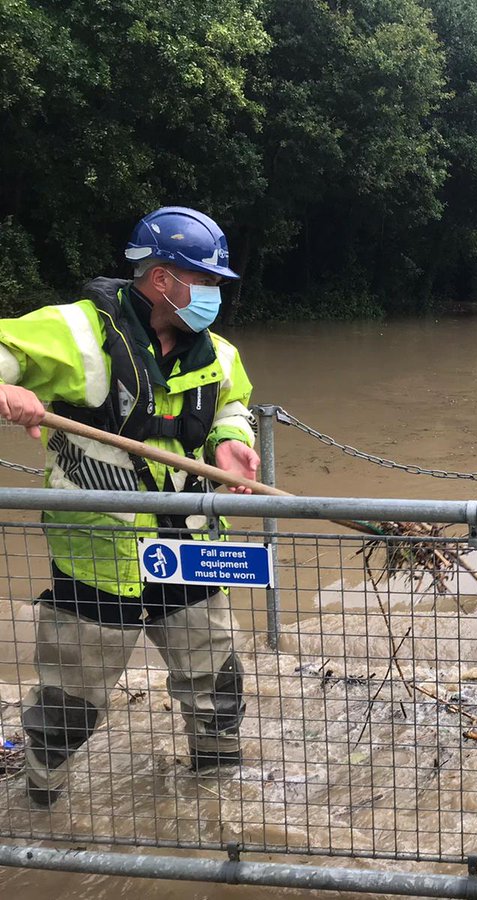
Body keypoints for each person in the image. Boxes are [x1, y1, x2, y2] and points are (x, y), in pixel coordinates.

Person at [0, 207, 260, 807]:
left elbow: (234, 403)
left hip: (191, 547)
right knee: (70, 705)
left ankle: (214, 799)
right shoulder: (75, 333)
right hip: (98, 556)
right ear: (163, 278)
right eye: (207, 280)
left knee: (216, 683)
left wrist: (233, 441)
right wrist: (9, 388)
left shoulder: (218, 353)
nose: (215, 294)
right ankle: (40, 806)